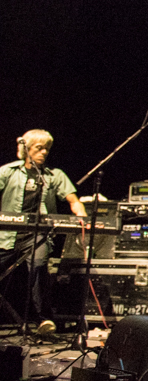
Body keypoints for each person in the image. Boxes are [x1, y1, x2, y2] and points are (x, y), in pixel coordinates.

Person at [0, 130, 87, 325]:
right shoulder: (7, 172)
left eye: (47, 149)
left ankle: (43, 320)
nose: (44, 152)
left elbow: (73, 201)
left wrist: (82, 217)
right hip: (7, 234)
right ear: (26, 149)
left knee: (39, 267)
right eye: (39, 148)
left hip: (37, 235)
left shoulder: (54, 175)